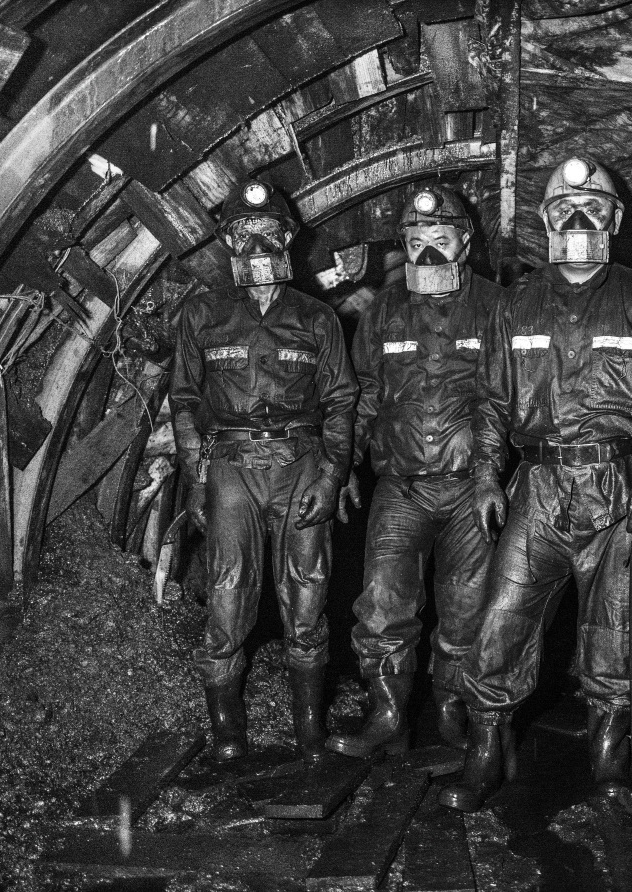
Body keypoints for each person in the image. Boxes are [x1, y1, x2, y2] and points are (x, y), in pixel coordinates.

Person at [439, 157, 632, 813]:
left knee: (615, 635)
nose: (578, 219)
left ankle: (609, 762)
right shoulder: (516, 302)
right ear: (544, 221)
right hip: (539, 489)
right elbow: (492, 398)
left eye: (593, 208)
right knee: (502, 621)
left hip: (618, 488)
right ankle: (486, 752)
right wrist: (485, 474)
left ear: (616, 219)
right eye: (563, 208)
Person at [170, 179, 358, 763]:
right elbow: (184, 401)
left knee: (307, 593)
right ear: (228, 242)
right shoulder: (201, 313)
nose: (257, 244)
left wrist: (331, 475)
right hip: (231, 466)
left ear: (287, 239)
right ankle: (228, 729)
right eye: (244, 232)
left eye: (268, 231)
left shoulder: (317, 317)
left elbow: (341, 400)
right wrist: (196, 479)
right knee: (227, 594)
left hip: (301, 463)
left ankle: (308, 727)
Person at [325, 185, 503, 757]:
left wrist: (493, 475)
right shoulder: (383, 309)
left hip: (471, 488)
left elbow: (509, 399)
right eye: (416, 241)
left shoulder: (498, 307)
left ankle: (453, 711)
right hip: (400, 487)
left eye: (440, 239)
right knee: (381, 605)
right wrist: (343, 466)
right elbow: (363, 395)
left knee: (467, 609)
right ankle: (388, 715)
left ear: (465, 242)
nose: (427, 253)